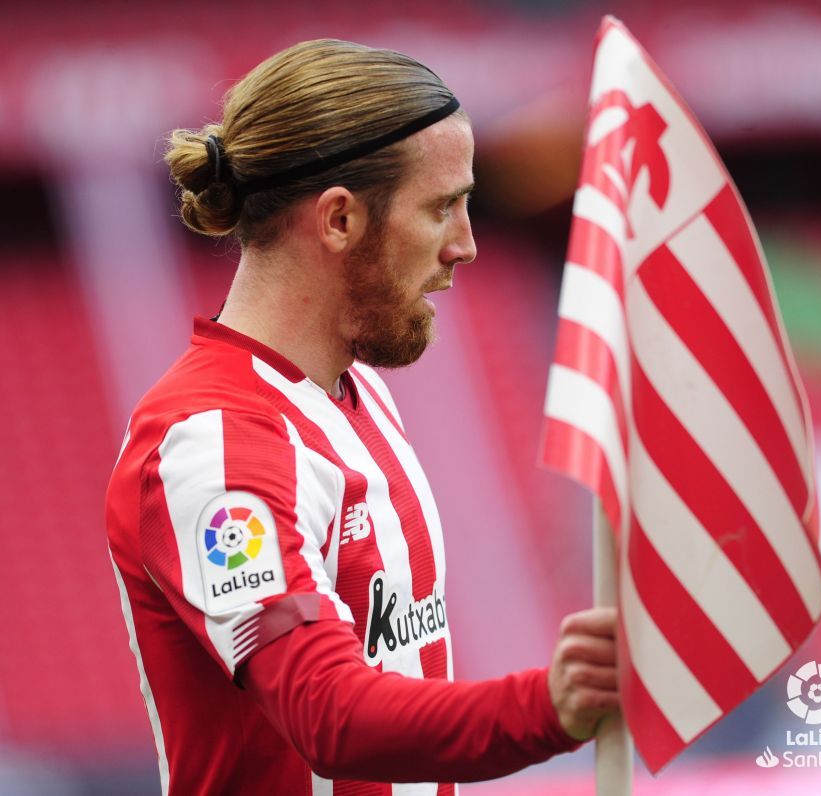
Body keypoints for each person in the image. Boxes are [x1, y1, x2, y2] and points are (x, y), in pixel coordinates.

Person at [106, 38, 618, 796]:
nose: (466, 245)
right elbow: (329, 717)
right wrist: (548, 706)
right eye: (443, 207)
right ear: (340, 220)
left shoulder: (358, 392)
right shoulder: (215, 448)